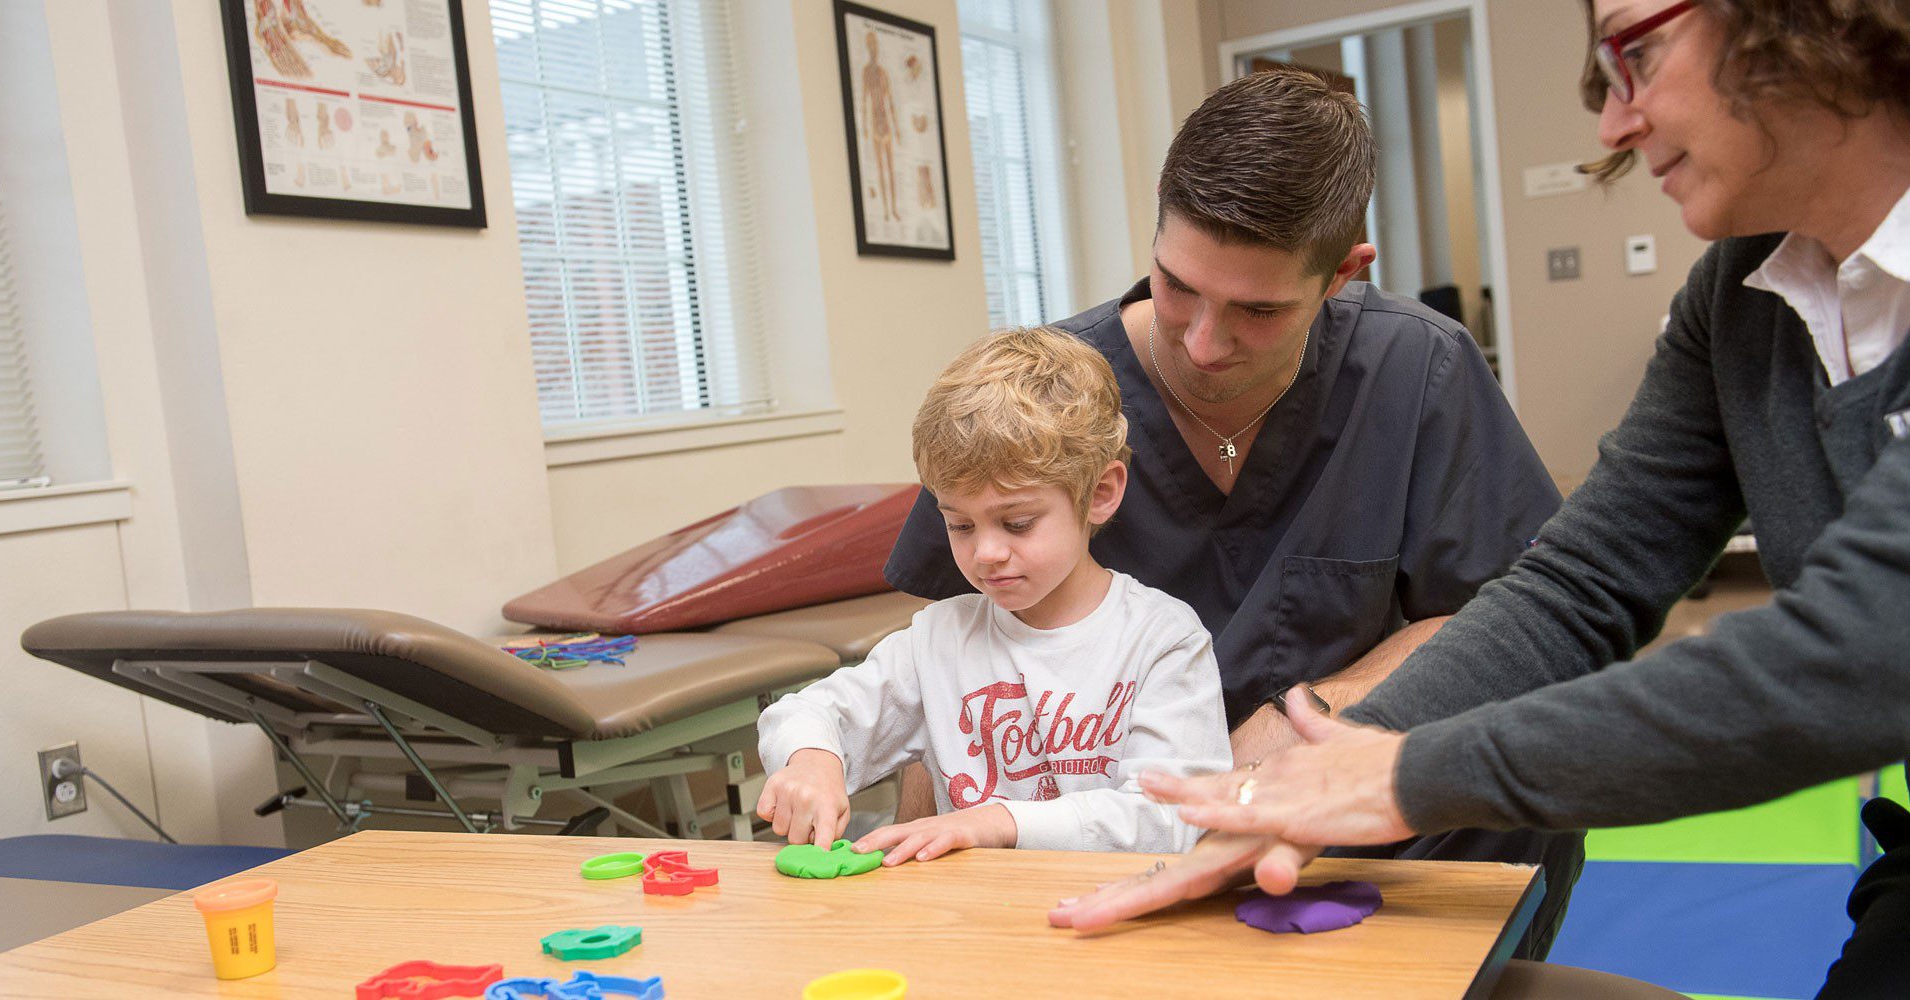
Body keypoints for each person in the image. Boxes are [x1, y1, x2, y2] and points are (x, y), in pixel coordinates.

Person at [1056, 2, 1910, 993]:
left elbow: (1856, 648)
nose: (1611, 122)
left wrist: (1402, 775)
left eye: (1636, 51)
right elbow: (1578, 584)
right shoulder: (1742, 293)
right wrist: (1321, 770)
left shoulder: (1411, 366)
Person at [885, 69, 1578, 956]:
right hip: (1102, 829)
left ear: (1342, 276)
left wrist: (1300, 719)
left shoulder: (1417, 373)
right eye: (1176, 286)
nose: (1204, 344)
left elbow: (1508, 615)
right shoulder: (1047, 397)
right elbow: (945, 668)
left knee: (1514, 795)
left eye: (1257, 309)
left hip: (1339, 812)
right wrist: (915, 910)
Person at [755, 327, 1233, 863]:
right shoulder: (939, 639)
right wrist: (813, 760)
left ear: (1100, 493)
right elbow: (804, 712)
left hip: (1114, 922)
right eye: (959, 526)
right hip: (976, 922)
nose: (986, 553)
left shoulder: (1162, 638)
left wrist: (996, 820)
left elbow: (1171, 818)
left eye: (1018, 523)